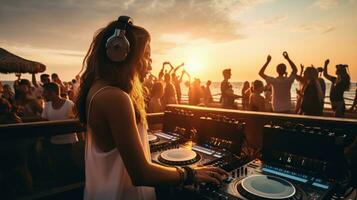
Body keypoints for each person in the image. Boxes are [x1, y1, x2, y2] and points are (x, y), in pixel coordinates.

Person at [75, 16, 227, 200]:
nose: (150, 64)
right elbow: (141, 174)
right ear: (121, 52)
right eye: (147, 55)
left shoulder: (97, 89)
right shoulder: (115, 97)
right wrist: (191, 173)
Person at [41, 82, 79, 184]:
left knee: (72, 168)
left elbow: (76, 123)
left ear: (52, 92)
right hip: (54, 143)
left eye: (45, 92)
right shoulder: (47, 105)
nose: (42, 94)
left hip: (69, 143)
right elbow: (44, 121)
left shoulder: (69, 104)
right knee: (59, 168)